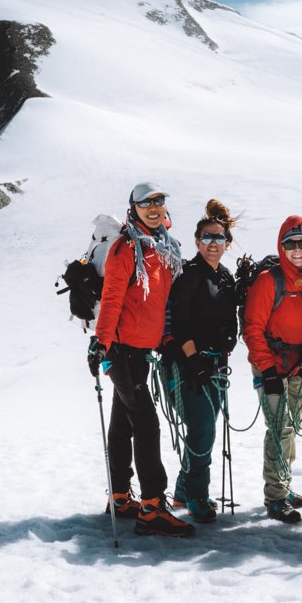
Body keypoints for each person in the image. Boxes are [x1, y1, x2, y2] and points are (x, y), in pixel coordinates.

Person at [89, 182, 194, 538]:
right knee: (146, 425)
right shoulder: (126, 248)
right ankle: (152, 506)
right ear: (133, 209)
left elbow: (158, 304)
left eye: (159, 202)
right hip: (121, 351)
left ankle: (120, 497)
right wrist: (100, 343)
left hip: (139, 351)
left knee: (123, 422)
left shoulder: (164, 248)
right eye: (146, 203)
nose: (154, 208)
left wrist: (164, 338)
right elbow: (113, 298)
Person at [160, 199, 241, 523]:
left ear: (227, 243)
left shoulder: (225, 278)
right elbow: (180, 323)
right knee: (202, 431)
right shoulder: (189, 275)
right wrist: (194, 360)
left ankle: (183, 491)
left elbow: (229, 323)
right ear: (196, 242)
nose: (212, 243)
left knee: (204, 430)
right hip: (187, 368)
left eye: (218, 238)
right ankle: (196, 496)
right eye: (206, 237)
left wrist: (225, 346)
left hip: (214, 367)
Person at [243, 215, 302, 523]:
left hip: (299, 365)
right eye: (290, 244)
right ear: (282, 246)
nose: (297, 250)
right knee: (279, 428)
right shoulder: (268, 281)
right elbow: (252, 328)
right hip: (271, 366)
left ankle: (284, 485)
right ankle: (275, 496)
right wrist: (268, 370)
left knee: (292, 425)